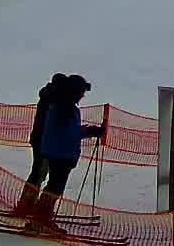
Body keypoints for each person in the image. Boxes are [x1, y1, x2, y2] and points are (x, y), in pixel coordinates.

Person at [29, 74, 104, 232]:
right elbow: (69, 133)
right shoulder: (65, 106)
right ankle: (41, 219)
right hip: (61, 154)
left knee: (53, 186)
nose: (83, 95)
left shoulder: (62, 104)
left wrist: (88, 131)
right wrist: (90, 131)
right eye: (82, 91)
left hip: (57, 152)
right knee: (55, 187)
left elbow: (69, 130)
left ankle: (40, 217)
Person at [11, 73, 69, 214]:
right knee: (39, 172)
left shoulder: (49, 97)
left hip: (42, 139)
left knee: (40, 172)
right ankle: (25, 204)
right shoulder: (51, 98)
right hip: (42, 140)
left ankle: (28, 202)